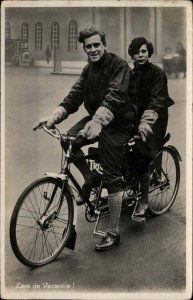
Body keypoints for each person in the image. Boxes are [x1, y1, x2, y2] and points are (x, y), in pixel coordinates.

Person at [33, 26, 136, 251]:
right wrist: (53, 117)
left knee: (111, 176)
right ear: (84, 49)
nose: (92, 49)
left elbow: (115, 95)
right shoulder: (89, 70)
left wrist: (97, 122)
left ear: (104, 44)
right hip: (95, 118)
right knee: (68, 139)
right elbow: (74, 96)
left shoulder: (119, 65)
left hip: (118, 123)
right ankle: (90, 180)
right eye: (88, 46)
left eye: (96, 45)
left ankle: (113, 232)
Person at [127, 37, 174, 216]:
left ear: (149, 53)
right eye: (137, 52)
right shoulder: (130, 74)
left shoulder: (157, 73)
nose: (140, 55)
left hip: (156, 119)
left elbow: (156, 100)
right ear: (131, 53)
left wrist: (144, 125)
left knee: (140, 151)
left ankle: (144, 201)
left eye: (144, 51)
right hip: (137, 118)